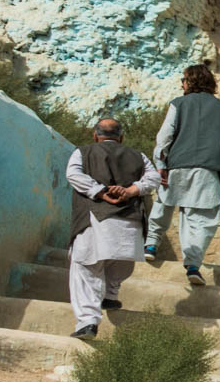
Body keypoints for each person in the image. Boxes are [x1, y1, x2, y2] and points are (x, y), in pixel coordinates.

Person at [65, 117, 162, 338]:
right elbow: (154, 178)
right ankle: (110, 294)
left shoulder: (83, 152)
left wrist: (100, 191)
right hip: (129, 222)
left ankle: (88, 321)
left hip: (94, 219)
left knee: (86, 267)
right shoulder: (139, 156)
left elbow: (73, 175)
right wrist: (132, 190)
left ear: (95, 135)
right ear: (121, 137)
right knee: (119, 262)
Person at [146, 63, 220, 287]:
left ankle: (151, 244)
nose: (181, 84)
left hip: (177, 165)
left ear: (191, 81)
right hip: (208, 170)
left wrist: (160, 163)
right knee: (202, 220)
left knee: (164, 202)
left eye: (184, 80)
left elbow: (164, 136)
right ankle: (193, 264)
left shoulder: (178, 103)